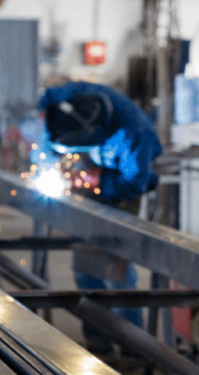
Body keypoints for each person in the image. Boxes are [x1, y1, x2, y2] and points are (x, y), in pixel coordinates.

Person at [37, 81, 163, 353]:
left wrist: (99, 182)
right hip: (93, 169)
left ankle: (133, 347)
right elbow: (47, 98)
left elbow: (136, 184)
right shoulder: (73, 97)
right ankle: (98, 343)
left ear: (93, 135)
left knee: (114, 270)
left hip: (121, 184)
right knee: (85, 267)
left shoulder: (133, 136)